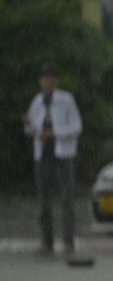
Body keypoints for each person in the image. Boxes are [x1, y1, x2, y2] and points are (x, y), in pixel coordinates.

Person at [22, 64, 83, 258]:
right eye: (44, 79)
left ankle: (68, 241)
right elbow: (32, 131)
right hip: (43, 154)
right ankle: (46, 241)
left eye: (51, 79)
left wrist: (55, 133)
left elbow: (77, 127)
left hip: (63, 153)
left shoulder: (66, 100)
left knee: (67, 198)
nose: (47, 82)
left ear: (56, 81)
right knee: (44, 200)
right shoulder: (37, 101)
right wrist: (29, 125)